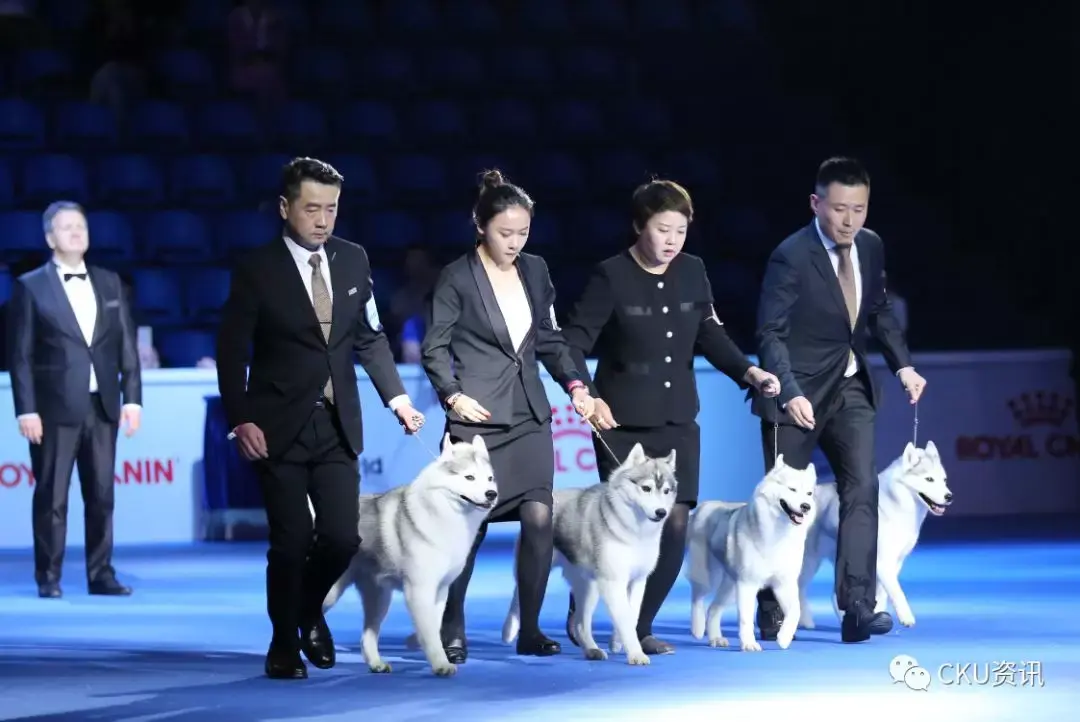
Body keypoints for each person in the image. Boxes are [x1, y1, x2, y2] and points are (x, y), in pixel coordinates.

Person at [216, 157, 425, 680]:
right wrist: (241, 418)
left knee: (341, 538)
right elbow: (230, 350)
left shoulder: (354, 260)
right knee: (290, 542)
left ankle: (307, 610)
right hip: (276, 425)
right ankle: (283, 642)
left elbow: (369, 336)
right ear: (286, 208)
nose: (323, 219)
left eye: (331, 209)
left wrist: (396, 398)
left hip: (337, 424)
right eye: (312, 208)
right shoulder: (256, 268)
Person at [558, 179, 781, 655]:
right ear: (640, 226)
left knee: (675, 522)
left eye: (681, 230)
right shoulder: (610, 275)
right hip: (621, 423)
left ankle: (638, 626)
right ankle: (587, 610)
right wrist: (586, 394)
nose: (672, 239)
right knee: (623, 529)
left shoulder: (694, 272)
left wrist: (749, 372)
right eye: (663, 229)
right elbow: (572, 342)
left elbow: (711, 335)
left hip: (679, 418)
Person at [420, 169, 596, 662]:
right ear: (480, 225)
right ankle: (451, 624)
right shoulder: (456, 276)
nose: (515, 242)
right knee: (468, 531)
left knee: (540, 520)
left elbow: (550, 339)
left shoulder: (537, 271)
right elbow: (434, 348)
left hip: (531, 416)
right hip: (476, 419)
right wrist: (453, 396)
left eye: (523, 232)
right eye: (505, 233)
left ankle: (531, 628)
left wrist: (577, 386)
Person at [752, 157, 926, 643]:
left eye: (860, 209)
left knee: (861, 489)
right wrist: (788, 391)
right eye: (839, 209)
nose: (849, 221)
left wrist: (903, 364)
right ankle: (771, 601)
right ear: (816, 204)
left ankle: (857, 606)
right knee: (784, 501)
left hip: (851, 388)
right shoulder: (790, 255)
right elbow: (770, 332)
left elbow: (878, 311)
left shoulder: (870, 246)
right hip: (796, 394)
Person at [6, 201, 141, 599]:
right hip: (52, 410)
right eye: (67, 227)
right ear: (50, 237)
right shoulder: (30, 286)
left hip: (103, 407)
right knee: (52, 497)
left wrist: (133, 399)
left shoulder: (110, 281)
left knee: (102, 496)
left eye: (81, 225)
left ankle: (101, 574)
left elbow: (127, 347)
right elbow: (21, 355)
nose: (77, 232)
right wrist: (26, 408)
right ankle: (48, 577)